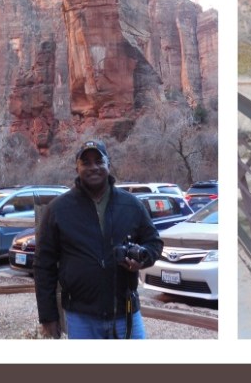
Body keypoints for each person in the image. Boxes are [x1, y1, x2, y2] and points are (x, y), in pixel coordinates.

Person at [34, 140, 162, 339]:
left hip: (126, 311)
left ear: (108, 164)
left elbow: (154, 243)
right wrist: (48, 316)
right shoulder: (58, 209)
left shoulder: (132, 205)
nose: (93, 167)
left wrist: (143, 259)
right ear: (76, 167)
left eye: (99, 161)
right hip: (80, 316)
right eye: (86, 162)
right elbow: (44, 266)